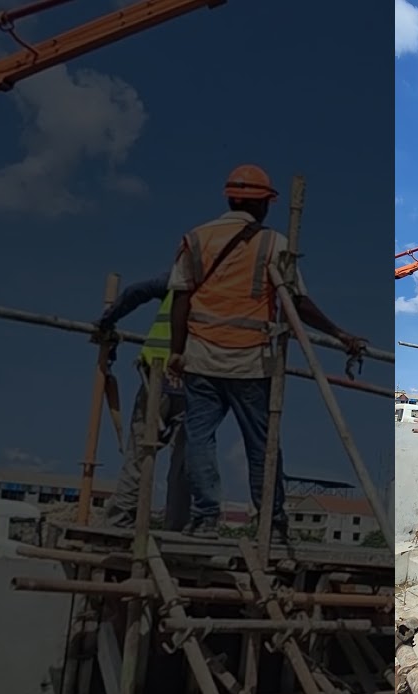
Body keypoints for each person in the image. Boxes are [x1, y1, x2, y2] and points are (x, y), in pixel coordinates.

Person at [166, 164, 367, 540]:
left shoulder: (196, 238)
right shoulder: (273, 243)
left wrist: (177, 352)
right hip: (250, 360)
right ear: (264, 204)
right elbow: (298, 303)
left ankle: (206, 517)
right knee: (262, 445)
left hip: (201, 359)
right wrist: (340, 334)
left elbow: (179, 299)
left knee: (199, 439)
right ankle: (272, 523)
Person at [92, 272, 189, 531]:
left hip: (159, 375)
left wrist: (107, 321)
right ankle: (176, 527)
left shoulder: (180, 278)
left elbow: (135, 292)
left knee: (139, 452)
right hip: (197, 381)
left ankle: (119, 520)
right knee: (185, 460)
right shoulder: (226, 287)